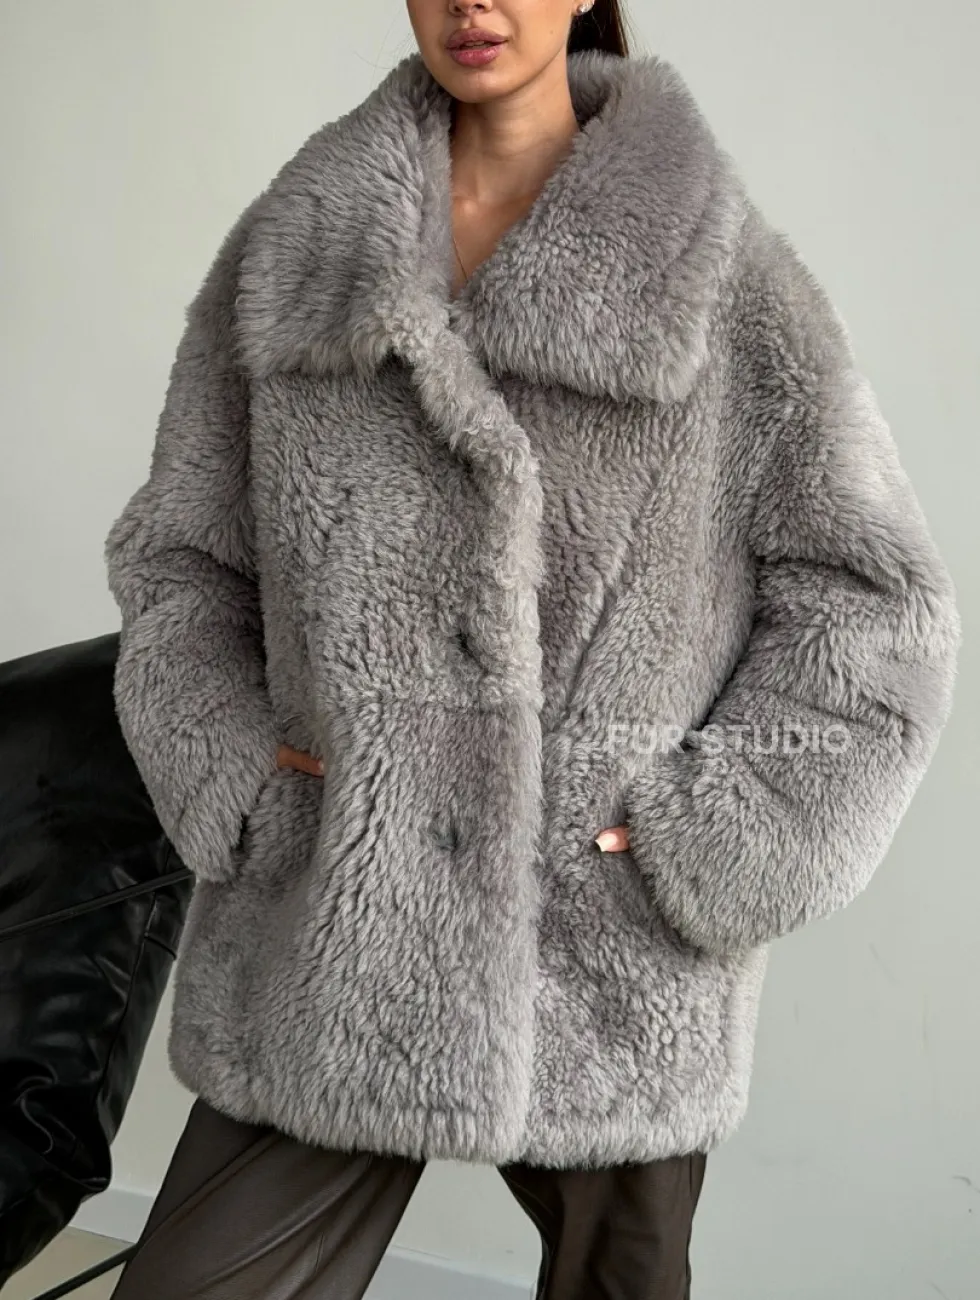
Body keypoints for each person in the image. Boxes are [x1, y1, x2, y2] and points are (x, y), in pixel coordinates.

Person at [101, 0, 961, 1296]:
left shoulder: (720, 275)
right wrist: (239, 780)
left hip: (613, 951)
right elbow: (182, 559)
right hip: (338, 914)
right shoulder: (300, 255)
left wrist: (704, 839)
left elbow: (878, 603)